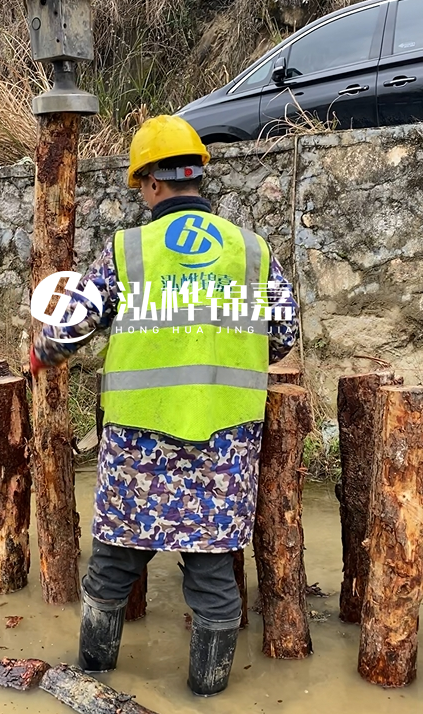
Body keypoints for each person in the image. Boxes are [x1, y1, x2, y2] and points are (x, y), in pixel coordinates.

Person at [30, 115, 299, 696]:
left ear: (151, 183)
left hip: (138, 442)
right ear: (198, 176)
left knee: (112, 569)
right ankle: (207, 698)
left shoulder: (128, 250)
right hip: (224, 441)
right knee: (211, 574)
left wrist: (41, 354)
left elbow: (72, 326)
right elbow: (284, 334)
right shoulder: (251, 251)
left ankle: (91, 686)